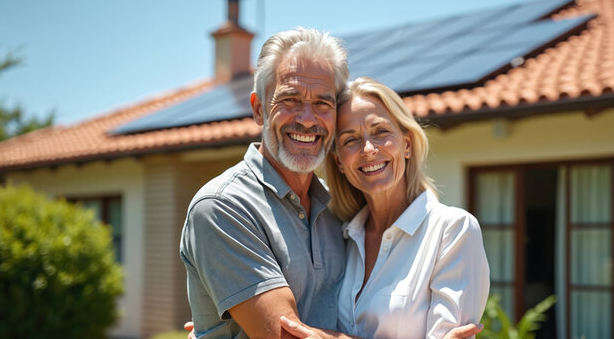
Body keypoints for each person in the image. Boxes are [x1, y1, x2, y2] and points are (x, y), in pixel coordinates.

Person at [180, 29, 483, 339]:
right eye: (291, 100)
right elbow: (285, 336)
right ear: (258, 108)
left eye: (323, 104)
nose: (308, 119)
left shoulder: (338, 215)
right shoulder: (222, 206)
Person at [279, 77, 490, 339]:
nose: (368, 149)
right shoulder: (339, 237)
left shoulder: (453, 231)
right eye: (350, 140)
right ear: (340, 163)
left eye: (380, 132)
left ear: (407, 145)